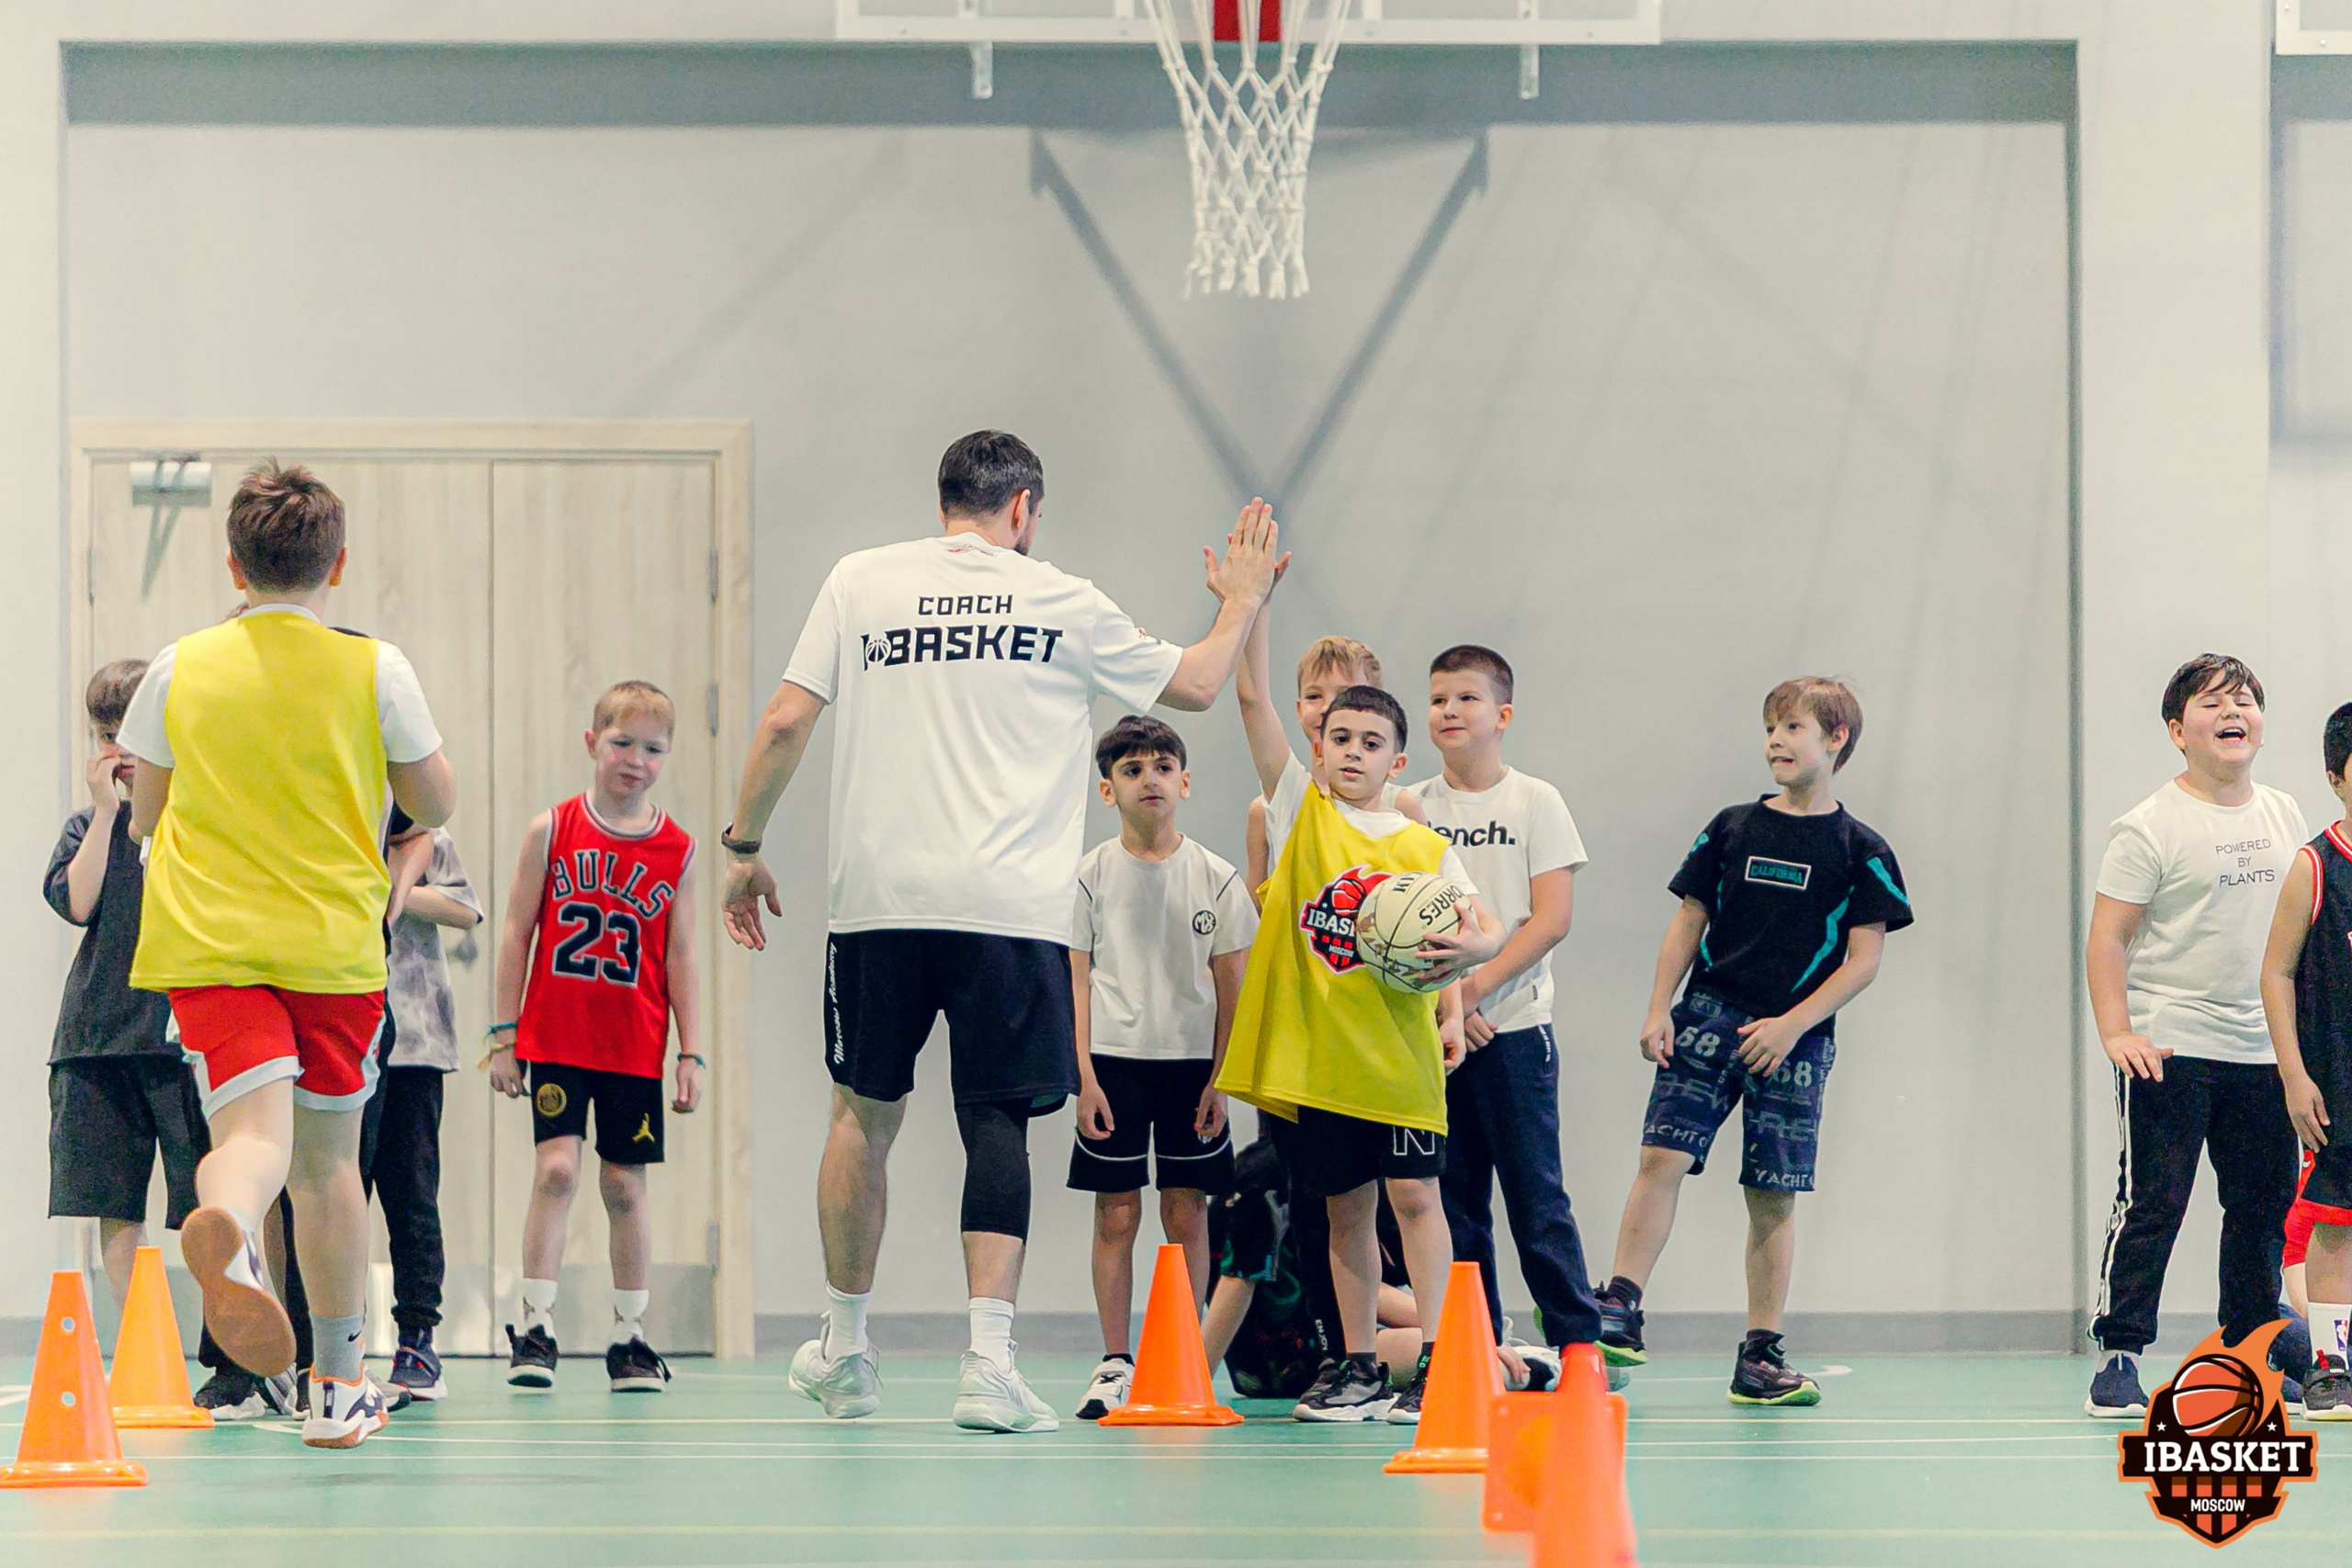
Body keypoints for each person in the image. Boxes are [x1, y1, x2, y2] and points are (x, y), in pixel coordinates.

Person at [722, 431, 1281, 1434]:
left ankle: (846, 1349)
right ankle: (988, 1366)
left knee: (862, 1116)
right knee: (995, 1122)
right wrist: (1240, 596)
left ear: (945, 502)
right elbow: (1196, 685)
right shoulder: (1061, 597)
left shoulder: (861, 581)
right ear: (1022, 509)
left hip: (880, 905)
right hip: (1014, 911)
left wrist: (743, 841)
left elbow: (780, 721)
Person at [122, 460, 456, 1450]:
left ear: (233, 563)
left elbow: (146, 811)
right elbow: (436, 803)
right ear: (337, 564)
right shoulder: (375, 667)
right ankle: (341, 1387)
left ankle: (224, 1227)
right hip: (331, 945)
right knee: (327, 1169)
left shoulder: (178, 665)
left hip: (210, 941)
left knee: (251, 1144)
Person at [1216, 588, 1505, 1424]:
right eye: (1338, 737)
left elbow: (1482, 927)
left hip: (1401, 1062)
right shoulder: (1300, 814)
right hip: (1327, 1063)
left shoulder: (1422, 845)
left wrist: (1465, 983)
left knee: (1417, 1202)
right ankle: (1353, 1367)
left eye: (1370, 742)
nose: (1351, 751)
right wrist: (1249, 605)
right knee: (1345, 1213)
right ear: (1319, 745)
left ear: (1394, 761)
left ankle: (1448, 1365)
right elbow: (1249, 697)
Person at [1594, 676, 1911, 1407]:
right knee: (1660, 1155)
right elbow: (1688, 919)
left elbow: (1864, 960)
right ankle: (1621, 1304)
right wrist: (1657, 1008)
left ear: (1834, 740)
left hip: (1794, 1040)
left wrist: (1793, 1024)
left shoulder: (1862, 849)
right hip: (1708, 1014)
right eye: (1770, 727)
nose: (1776, 740)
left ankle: (1760, 1355)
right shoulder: (1732, 827)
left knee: (1772, 1195)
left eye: (1793, 727)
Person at [2081, 654, 2304, 1419]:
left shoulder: (2283, 813)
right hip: (2171, 1044)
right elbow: (2108, 937)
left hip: (2264, 1050)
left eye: (2244, 700)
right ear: (2179, 730)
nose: (2233, 712)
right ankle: (2119, 1351)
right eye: (2213, 703)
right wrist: (2118, 1030)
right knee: (2155, 1202)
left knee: (2262, 1206)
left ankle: (2253, 1340)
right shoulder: (2148, 825)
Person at [489, 682, 700, 1394]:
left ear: (667, 757)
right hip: (555, 1036)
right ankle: (536, 1322)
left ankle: (631, 1334)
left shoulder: (679, 849)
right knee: (557, 1170)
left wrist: (691, 1052)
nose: (634, 760)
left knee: (623, 1185)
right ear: (590, 742)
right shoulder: (551, 829)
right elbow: (516, 929)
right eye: (620, 743)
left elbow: (681, 957)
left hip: (633, 1045)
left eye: (651, 748)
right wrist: (503, 1033)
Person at [1404, 645, 1603, 1359]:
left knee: (1536, 1199)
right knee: (1455, 1204)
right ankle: (1480, 1350)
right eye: (1437, 699)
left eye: (1466, 698)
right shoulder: (1412, 805)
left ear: (1502, 714)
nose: (1449, 711)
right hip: (1439, 1037)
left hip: (1515, 1032)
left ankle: (1581, 1345)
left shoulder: (1534, 800)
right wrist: (1449, 1008)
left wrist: (1477, 990)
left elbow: (1550, 917)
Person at [1068, 716, 1257, 1421]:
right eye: (1131, 769)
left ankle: (1184, 1356)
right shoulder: (1089, 877)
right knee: (1116, 1212)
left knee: (1188, 1210)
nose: (1149, 778)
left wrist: (1222, 1078)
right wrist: (1082, 1076)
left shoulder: (1216, 877)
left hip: (1192, 1070)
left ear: (1184, 780)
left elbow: (1233, 988)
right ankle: (1116, 1361)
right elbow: (1076, 983)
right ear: (1107, 789)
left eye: (1161, 766)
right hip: (1113, 1066)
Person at [44, 663, 209, 1304]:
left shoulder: (192, 821)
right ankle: (154, 1355)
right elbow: (78, 904)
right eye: (104, 734)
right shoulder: (87, 827)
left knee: (205, 1202)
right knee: (114, 1202)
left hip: (183, 1035)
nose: (118, 750)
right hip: (99, 1033)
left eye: (130, 731)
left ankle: (238, 1356)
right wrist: (109, 813)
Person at [360, 825, 481, 1401]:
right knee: (335, 1195)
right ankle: (330, 1344)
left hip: (415, 1044)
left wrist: (393, 885)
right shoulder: (333, 815)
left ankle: (416, 1338)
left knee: (411, 1195)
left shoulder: (427, 837)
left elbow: (464, 908)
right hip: (345, 1040)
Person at [2256, 699, 2352, 1419]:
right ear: (2335, 776)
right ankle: (2331, 1365)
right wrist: (2294, 1072)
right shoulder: (2315, 866)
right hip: (2338, 1086)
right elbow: (2277, 971)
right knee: (2333, 1223)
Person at [1245, 637, 1389, 897]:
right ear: (1299, 709)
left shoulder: (1401, 806)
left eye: (1345, 695)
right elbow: (1252, 699)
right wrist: (1249, 605)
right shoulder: (1282, 800)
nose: (1326, 707)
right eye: (1314, 696)